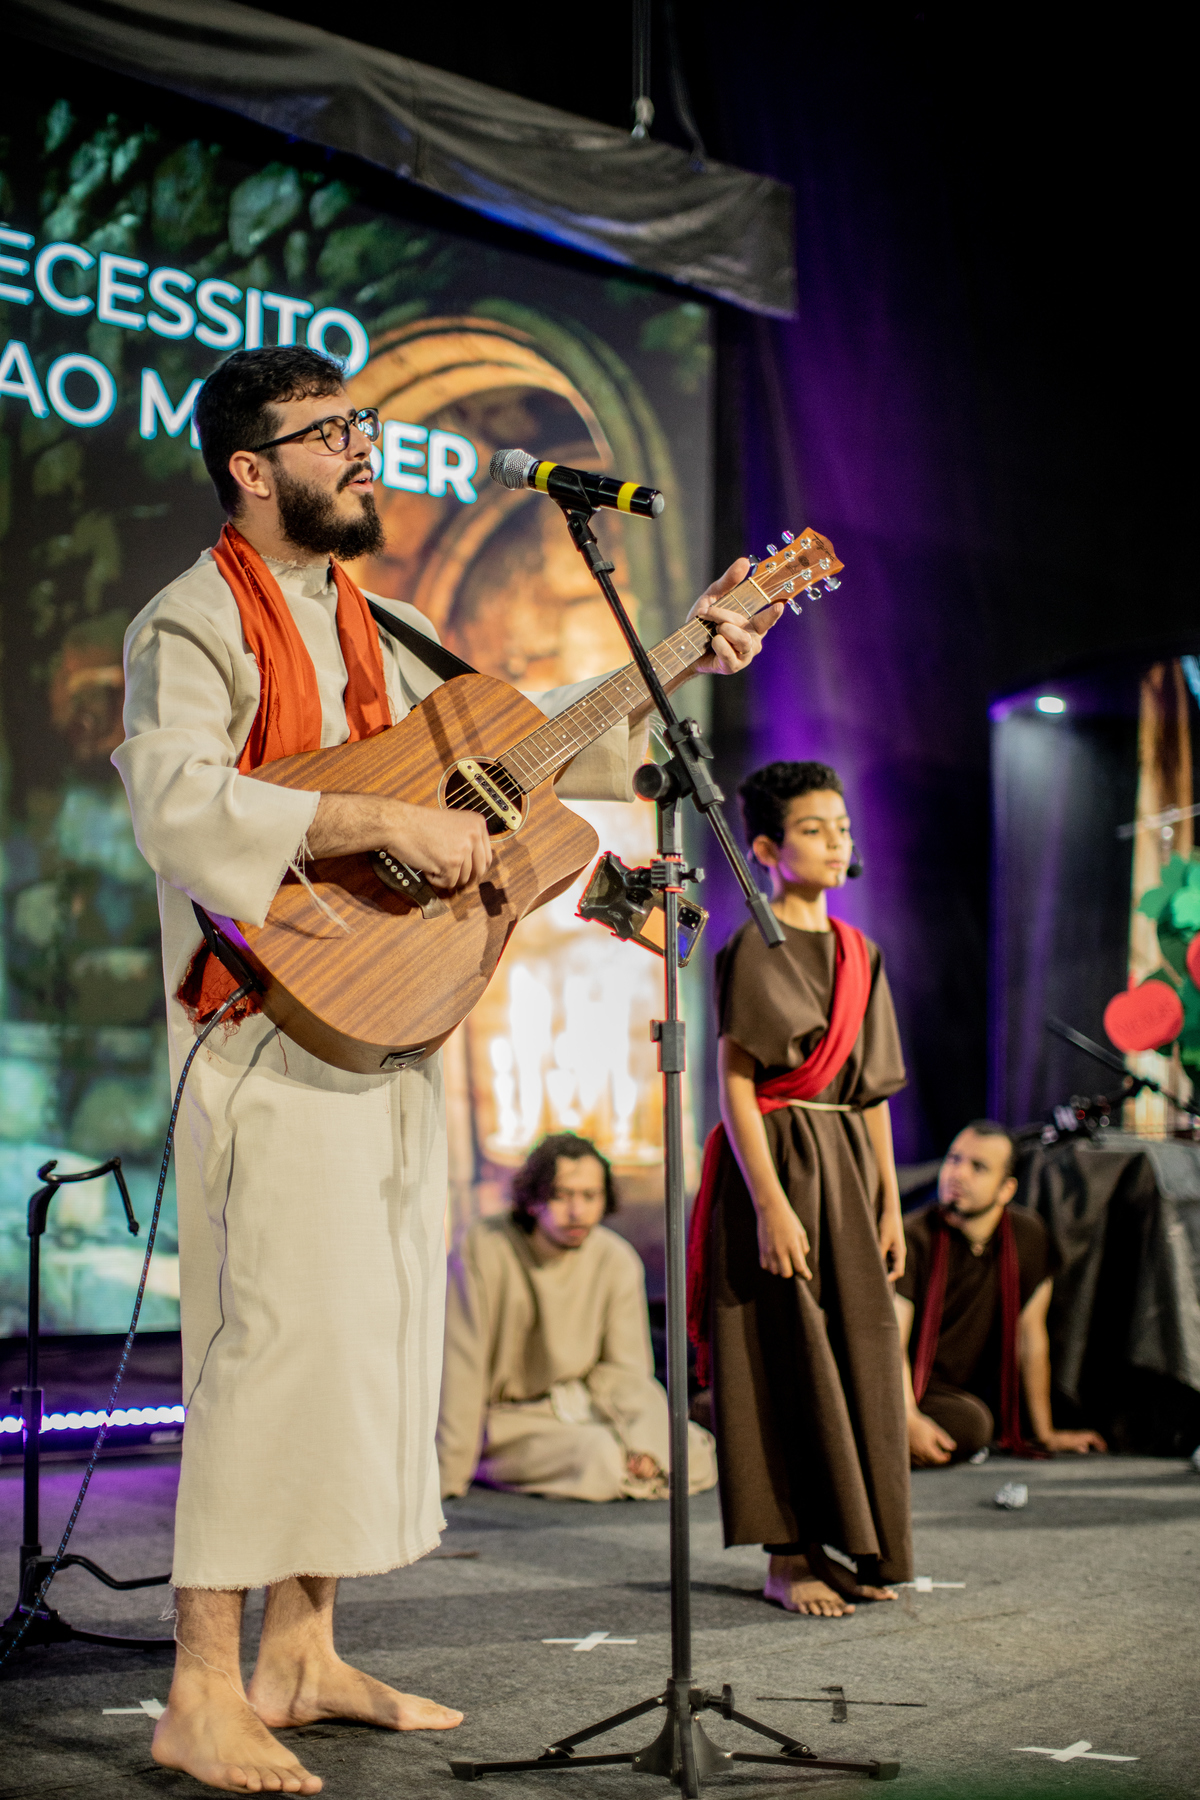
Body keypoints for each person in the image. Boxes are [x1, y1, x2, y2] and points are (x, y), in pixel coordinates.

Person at [112, 343, 780, 1795]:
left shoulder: (394, 625)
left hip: (393, 1024)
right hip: (263, 1032)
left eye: (365, 424)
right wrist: (380, 826)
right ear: (251, 466)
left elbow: (525, 765)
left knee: (368, 1351)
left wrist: (691, 655)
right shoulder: (190, 621)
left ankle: (304, 1649)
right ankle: (202, 1685)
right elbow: (175, 801)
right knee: (267, 1350)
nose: (365, 450)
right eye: (333, 432)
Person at [687, 760, 913, 1621]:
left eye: (843, 828)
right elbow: (735, 1083)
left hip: (848, 1168)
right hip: (774, 1164)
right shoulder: (751, 945)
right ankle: (787, 1558)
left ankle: (853, 1541)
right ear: (768, 849)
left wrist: (891, 1204)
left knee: (856, 1350)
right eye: (815, 830)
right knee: (776, 1353)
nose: (835, 842)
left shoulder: (863, 952)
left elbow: (876, 1093)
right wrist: (772, 1202)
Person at [438, 1133, 717, 1501]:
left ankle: (636, 1466)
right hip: (512, 1420)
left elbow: (626, 1374)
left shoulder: (614, 1258)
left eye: (589, 1196)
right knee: (597, 1457)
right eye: (561, 1195)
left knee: (690, 1450)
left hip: (585, 1405)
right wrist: (446, 1479)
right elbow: (462, 1371)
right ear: (533, 1198)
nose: (577, 1211)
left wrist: (642, 1444)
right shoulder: (483, 1246)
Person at [895, 1120, 1108, 1465]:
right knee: (973, 1424)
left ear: (1006, 1189)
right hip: (898, 1386)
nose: (957, 1174)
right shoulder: (912, 1235)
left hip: (950, 1394)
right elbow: (891, 1340)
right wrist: (905, 1417)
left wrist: (1045, 1433)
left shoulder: (1028, 1236)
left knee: (973, 1420)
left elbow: (1031, 1338)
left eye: (977, 1167)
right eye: (953, 1159)